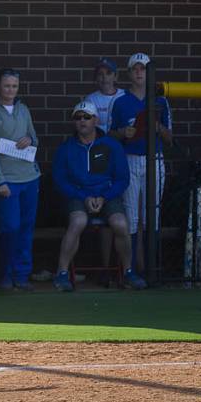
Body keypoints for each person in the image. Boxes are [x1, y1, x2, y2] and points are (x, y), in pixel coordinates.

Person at [52, 101, 145, 291]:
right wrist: (84, 196)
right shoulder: (65, 149)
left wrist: (104, 196)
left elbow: (122, 179)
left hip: (107, 196)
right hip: (78, 196)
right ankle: (61, 274)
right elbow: (60, 181)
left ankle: (128, 272)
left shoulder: (112, 145)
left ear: (96, 120)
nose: (82, 121)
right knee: (77, 221)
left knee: (120, 223)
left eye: (87, 117)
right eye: (78, 118)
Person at [109, 53, 173, 273]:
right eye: (135, 69)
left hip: (154, 160)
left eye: (143, 68)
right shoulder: (120, 102)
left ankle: (152, 269)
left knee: (151, 216)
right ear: (129, 73)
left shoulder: (160, 101)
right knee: (132, 217)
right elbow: (110, 136)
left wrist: (158, 128)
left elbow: (170, 138)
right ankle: (133, 269)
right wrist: (122, 132)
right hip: (130, 160)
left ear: (149, 72)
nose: (139, 72)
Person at [0, 68, 40, 291]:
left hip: (30, 176)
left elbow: (35, 138)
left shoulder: (23, 109)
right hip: (8, 179)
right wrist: (0, 180)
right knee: (10, 227)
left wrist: (29, 139)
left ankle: (22, 274)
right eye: (7, 86)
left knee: (26, 229)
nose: (11, 90)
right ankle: (5, 272)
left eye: (14, 86)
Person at [84, 58, 126, 275]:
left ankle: (127, 268)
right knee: (106, 214)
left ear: (116, 76)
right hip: (100, 158)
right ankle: (106, 267)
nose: (104, 78)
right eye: (100, 74)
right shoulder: (91, 99)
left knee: (127, 215)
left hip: (123, 157)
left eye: (108, 73)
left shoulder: (124, 97)